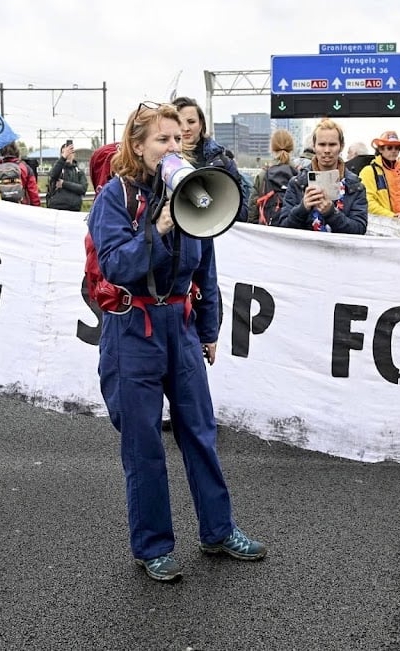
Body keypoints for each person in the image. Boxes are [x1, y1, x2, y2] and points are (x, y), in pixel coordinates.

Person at [87, 102, 266, 583]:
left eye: (177, 139)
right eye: (162, 139)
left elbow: (205, 270)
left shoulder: (195, 191)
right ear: (138, 145)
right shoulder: (115, 197)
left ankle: (218, 529)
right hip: (133, 330)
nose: (173, 145)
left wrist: (208, 330)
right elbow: (117, 265)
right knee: (144, 445)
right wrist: (161, 224)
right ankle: (153, 546)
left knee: (201, 434)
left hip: (181, 328)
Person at [275, 118, 367, 234]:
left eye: (332, 144)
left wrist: (331, 213)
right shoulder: (297, 183)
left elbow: (359, 230)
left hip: (340, 252)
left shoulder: (356, 186)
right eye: (322, 144)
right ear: (314, 146)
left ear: (341, 146)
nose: (327, 150)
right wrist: (302, 208)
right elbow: (283, 228)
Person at [172, 96, 248, 221]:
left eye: (191, 122)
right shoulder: (160, 163)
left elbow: (241, 212)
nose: (185, 128)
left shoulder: (223, 162)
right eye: (179, 123)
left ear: (201, 124)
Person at [358, 130, 400, 220]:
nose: (394, 151)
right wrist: (392, 217)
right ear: (381, 149)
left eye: (397, 148)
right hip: (379, 224)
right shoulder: (369, 171)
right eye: (389, 147)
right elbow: (368, 202)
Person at [248, 129, 297, 225]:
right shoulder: (299, 173)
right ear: (292, 148)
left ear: (272, 148)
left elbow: (253, 206)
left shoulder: (263, 174)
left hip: (267, 230)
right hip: (292, 230)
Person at [0, 141, 41, 206]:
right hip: (20, 208)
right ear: (16, 150)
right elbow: (33, 192)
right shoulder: (24, 167)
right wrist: (36, 208)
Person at [47, 141, 87, 211]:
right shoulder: (58, 169)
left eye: (70, 152)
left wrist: (63, 184)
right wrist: (63, 157)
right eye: (64, 152)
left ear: (74, 154)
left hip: (74, 209)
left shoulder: (79, 172)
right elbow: (53, 176)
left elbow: (83, 189)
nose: (68, 154)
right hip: (57, 209)